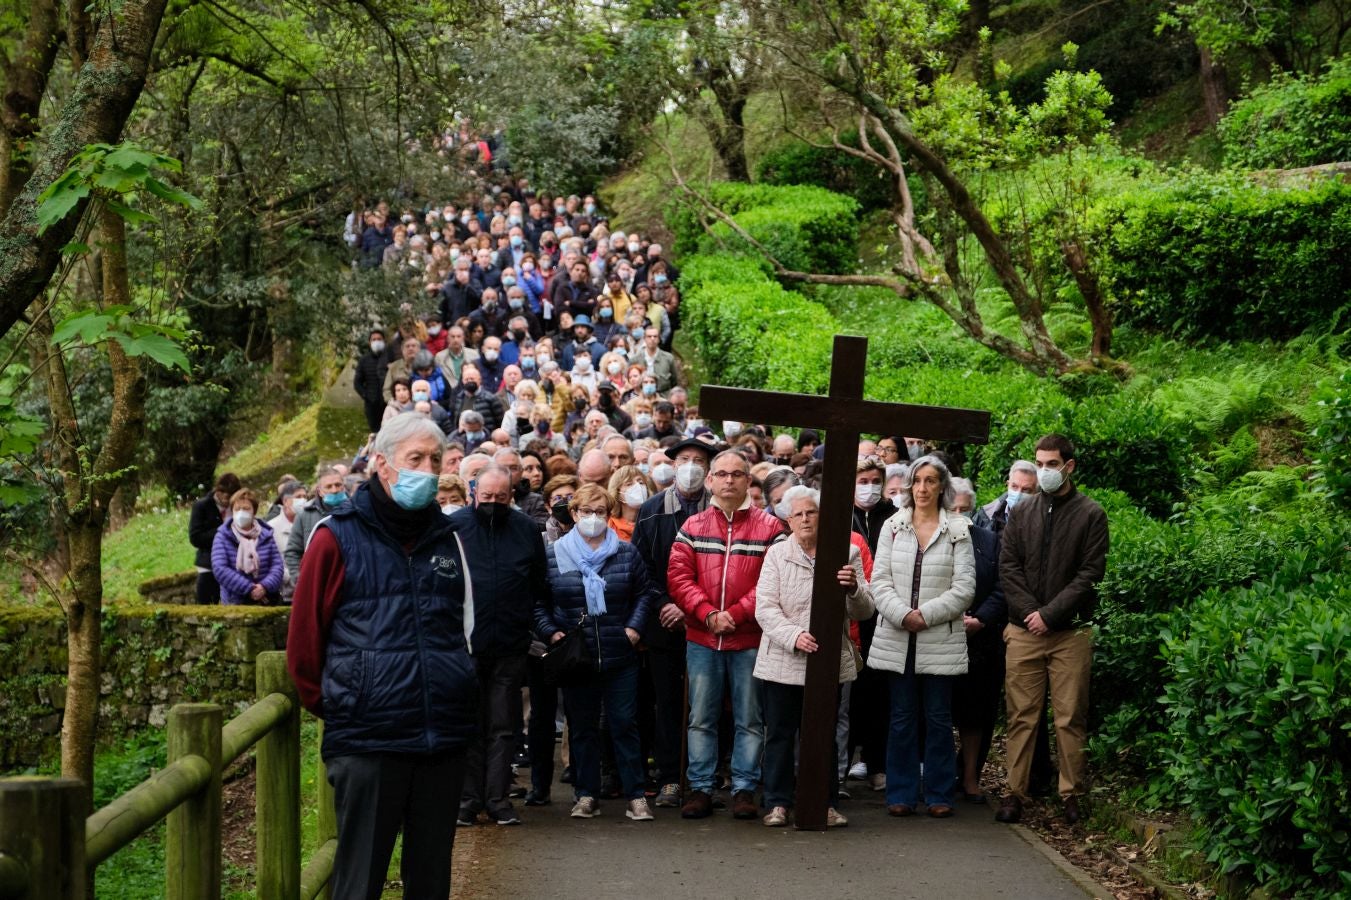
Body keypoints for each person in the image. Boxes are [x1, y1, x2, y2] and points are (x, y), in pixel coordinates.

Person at [287, 414, 477, 900]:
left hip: (442, 738)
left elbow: (466, 630)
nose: (427, 470)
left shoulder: (448, 538)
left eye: (434, 461)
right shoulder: (334, 537)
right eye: (415, 459)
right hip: (369, 741)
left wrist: (456, 688)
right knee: (359, 880)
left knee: (431, 880)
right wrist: (344, 704)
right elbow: (304, 644)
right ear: (381, 464)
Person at [996, 435, 1109, 826]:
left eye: (1051, 464)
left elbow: (1090, 574)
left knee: (1069, 715)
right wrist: (1031, 613)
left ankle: (1071, 794)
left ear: (1069, 466)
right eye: (1039, 463)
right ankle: (1014, 792)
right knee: (1021, 715)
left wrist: (1051, 614)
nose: (1044, 471)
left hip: (1070, 633)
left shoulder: (1091, 514)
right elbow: (1008, 565)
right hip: (1024, 629)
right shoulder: (1022, 512)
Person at [669, 450, 785, 820]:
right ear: (710, 481)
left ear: (748, 481)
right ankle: (700, 788)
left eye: (737, 474)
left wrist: (732, 615)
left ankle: (744, 789)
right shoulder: (692, 527)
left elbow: (772, 583)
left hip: (749, 639)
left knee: (750, 718)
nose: (729, 480)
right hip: (702, 639)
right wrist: (707, 614)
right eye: (722, 474)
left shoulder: (770, 529)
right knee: (701, 717)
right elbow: (678, 577)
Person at [536, 483, 660, 821]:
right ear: (574, 514)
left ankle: (636, 795)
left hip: (620, 653)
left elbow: (645, 593)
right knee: (583, 727)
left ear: (609, 514)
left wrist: (634, 628)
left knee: (624, 724)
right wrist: (552, 633)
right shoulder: (554, 554)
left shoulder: (625, 552)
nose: (593, 518)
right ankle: (586, 794)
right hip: (578, 655)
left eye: (600, 512)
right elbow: (538, 602)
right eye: (586, 512)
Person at [755, 486, 873, 828]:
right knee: (779, 733)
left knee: (823, 733)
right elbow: (765, 607)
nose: (806, 519)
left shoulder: (845, 552)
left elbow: (864, 610)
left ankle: (826, 802)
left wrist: (852, 588)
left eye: (812, 512)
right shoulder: (777, 554)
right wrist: (793, 636)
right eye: (798, 514)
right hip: (782, 659)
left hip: (827, 659)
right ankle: (778, 802)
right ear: (788, 520)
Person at [867, 454, 975, 818]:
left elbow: (964, 588)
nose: (923, 488)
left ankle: (940, 794)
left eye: (931, 481)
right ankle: (901, 792)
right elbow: (878, 581)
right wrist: (902, 614)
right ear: (910, 486)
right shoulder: (892, 526)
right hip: (897, 638)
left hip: (939, 638)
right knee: (901, 716)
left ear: (942, 486)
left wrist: (924, 615)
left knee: (939, 717)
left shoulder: (959, 528)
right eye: (918, 480)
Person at [451, 464, 551, 827]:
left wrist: (525, 623)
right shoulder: (456, 528)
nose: (494, 503)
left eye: (502, 498)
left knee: (503, 724)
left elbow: (538, 581)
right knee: (469, 724)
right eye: (487, 497)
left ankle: (497, 799)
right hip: (465, 645)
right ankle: (467, 799)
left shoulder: (525, 529)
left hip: (510, 644)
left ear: (512, 496)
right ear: (474, 493)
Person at [850, 455, 897, 793]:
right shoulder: (840, 516)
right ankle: (851, 756)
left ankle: (878, 761)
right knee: (850, 690)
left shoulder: (895, 518)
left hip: (886, 616)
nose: (869, 488)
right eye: (862, 481)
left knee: (880, 692)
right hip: (850, 616)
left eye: (874, 481)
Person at [953, 513, 1007, 802]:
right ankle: (936, 775)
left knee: (975, 715)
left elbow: (1003, 585)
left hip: (980, 641)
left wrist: (980, 619)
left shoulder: (990, 542)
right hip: (936, 636)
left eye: (964, 508)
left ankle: (971, 777)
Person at [212, 488, 284, 605]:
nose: (241, 512)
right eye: (237, 509)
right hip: (236, 602)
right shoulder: (223, 536)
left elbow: (277, 565)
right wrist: (249, 588)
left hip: (268, 600)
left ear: (254, 511)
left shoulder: (266, 534)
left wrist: (264, 586)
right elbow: (220, 568)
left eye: (246, 509)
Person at [284, 467, 349, 586]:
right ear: (319, 491)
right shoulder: (305, 515)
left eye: (338, 485)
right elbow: (292, 552)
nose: (334, 490)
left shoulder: (356, 510)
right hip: (319, 584)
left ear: (343, 486)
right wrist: (302, 582)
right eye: (329, 487)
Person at [189, 473, 241, 604]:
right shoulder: (202, 506)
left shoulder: (239, 507)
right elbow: (195, 537)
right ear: (216, 490)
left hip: (236, 563)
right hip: (209, 564)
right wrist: (223, 531)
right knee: (207, 604)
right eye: (222, 493)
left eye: (229, 495)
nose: (225, 497)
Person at [981, 460, 1038, 534]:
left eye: (1026, 489)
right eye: (1014, 486)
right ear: (1008, 485)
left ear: (1036, 492)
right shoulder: (985, 515)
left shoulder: (1046, 519)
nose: (1018, 494)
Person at [354, 329, 392, 432]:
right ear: (369, 342)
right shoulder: (364, 360)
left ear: (384, 341)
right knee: (375, 431)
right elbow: (357, 383)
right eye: (373, 339)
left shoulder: (390, 358)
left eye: (379, 339)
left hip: (389, 403)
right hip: (372, 404)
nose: (376, 341)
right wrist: (366, 396)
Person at [606, 464, 652, 542]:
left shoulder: (654, 522)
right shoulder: (607, 526)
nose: (638, 487)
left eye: (641, 482)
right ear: (617, 493)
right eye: (629, 484)